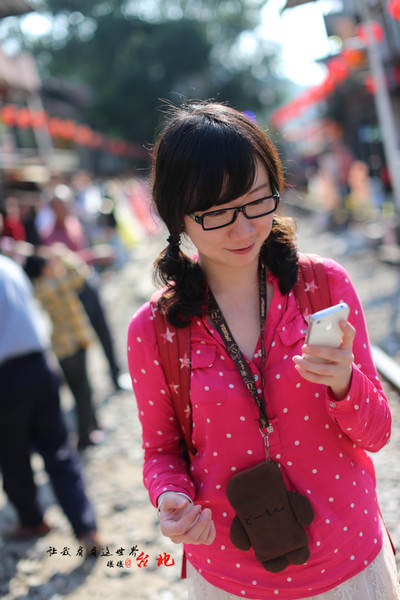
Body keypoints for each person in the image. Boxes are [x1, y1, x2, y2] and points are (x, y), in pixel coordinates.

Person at [127, 101, 400, 600]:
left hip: (349, 561)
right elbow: (162, 451)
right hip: (231, 576)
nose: (244, 227)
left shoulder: (322, 285)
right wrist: (171, 498)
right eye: (215, 213)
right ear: (177, 216)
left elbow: (379, 432)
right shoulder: (155, 329)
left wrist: (345, 382)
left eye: (258, 201)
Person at [0, 252, 99, 544]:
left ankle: (32, 521)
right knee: (58, 449)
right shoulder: (8, 265)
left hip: (6, 374)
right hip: (40, 365)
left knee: (13, 455)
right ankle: (86, 527)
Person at [40, 184, 131, 392]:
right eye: (59, 205)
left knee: (104, 330)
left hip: (89, 283)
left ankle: (116, 376)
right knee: (83, 340)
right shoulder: (49, 235)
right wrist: (94, 255)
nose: (64, 208)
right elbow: (65, 265)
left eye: (66, 203)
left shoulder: (75, 223)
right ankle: (87, 394)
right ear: (52, 208)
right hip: (73, 293)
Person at [24, 247, 104, 450]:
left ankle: (93, 426)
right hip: (68, 346)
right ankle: (84, 435)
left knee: (83, 387)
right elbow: (79, 275)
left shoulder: (44, 286)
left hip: (71, 343)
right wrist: (63, 255)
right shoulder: (49, 287)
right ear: (43, 269)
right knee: (81, 390)